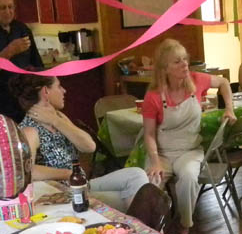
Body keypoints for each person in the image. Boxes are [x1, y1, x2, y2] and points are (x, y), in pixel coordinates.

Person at [10, 75, 149, 211]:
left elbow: (89, 146)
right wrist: (68, 173)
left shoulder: (59, 117)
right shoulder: (29, 130)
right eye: (59, 86)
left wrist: (56, 121)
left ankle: (138, 221)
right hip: (63, 195)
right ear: (46, 91)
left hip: (81, 185)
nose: (64, 91)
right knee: (138, 199)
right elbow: (28, 171)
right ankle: (139, 222)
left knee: (137, 174)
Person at [142, 38, 235, 234]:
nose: (184, 64)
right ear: (165, 68)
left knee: (189, 177)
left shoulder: (196, 79)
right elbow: (148, 134)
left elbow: (224, 82)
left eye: (185, 59)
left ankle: (185, 224)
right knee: (151, 183)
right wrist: (155, 161)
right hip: (162, 153)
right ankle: (154, 231)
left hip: (190, 150)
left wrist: (229, 108)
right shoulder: (153, 96)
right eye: (177, 61)